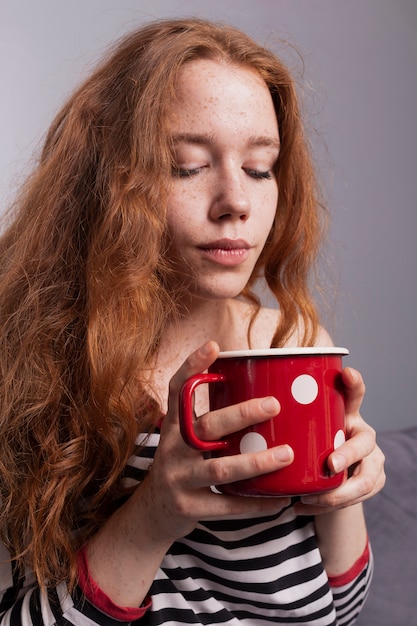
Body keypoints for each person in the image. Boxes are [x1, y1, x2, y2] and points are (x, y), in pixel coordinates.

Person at [0, 17, 385, 626]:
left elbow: (341, 609)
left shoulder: (292, 344)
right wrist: (153, 514)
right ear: (108, 180)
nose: (236, 200)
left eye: (261, 168)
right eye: (186, 165)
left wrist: (342, 494)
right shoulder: (31, 365)